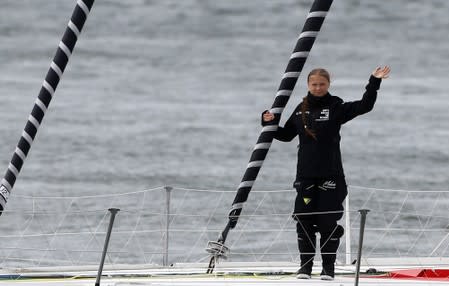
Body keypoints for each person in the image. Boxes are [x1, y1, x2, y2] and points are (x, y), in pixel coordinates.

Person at [262, 66, 391, 280]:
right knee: (303, 222)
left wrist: (374, 81)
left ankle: (328, 269)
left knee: (327, 223)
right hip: (305, 176)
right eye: (314, 84)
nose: (318, 87)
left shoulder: (335, 106)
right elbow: (285, 136)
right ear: (308, 85)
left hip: (331, 176)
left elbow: (365, 106)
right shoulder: (300, 109)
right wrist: (267, 122)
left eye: (322, 84)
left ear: (328, 84)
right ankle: (305, 268)